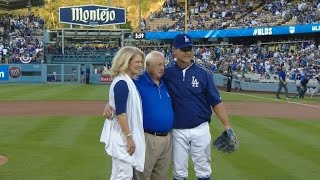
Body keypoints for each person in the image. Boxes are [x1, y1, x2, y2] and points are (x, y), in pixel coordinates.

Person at [164, 33, 236, 180]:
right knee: (179, 171)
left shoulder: (204, 74)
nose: (187, 52)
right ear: (174, 50)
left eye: (189, 48)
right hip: (177, 129)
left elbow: (216, 101)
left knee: (203, 169)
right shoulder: (167, 72)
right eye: (183, 49)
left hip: (200, 128)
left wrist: (227, 125)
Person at [103, 51, 174, 180]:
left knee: (161, 176)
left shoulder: (166, 82)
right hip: (147, 137)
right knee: (140, 175)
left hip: (167, 139)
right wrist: (109, 104)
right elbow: (119, 94)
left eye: (163, 64)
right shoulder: (136, 81)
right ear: (148, 65)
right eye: (158, 65)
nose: (162, 68)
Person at [100, 46, 146, 180]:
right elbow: (121, 113)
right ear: (126, 61)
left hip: (121, 136)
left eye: (140, 62)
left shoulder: (126, 81)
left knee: (119, 175)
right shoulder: (122, 82)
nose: (140, 65)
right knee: (124, 175)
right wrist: (129, 137)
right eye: (137, 61)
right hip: (121, 137)